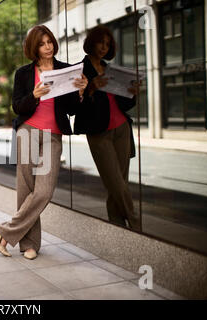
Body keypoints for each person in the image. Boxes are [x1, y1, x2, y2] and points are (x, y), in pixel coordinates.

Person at [0, 25, 88, 260]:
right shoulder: (23, 74)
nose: (47, 47)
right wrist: (33, 96)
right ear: (33, 47)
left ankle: (6, 231)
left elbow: (72, 109)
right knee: (26, 188)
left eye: (50, 42)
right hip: (28, 131)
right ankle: (29, 244)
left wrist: (80, 93)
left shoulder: (66, 70)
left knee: (44, 191)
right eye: (42, 43)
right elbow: (17, 106)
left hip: (53, 135)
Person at [73, 25, 141, 232]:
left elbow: (125, 104)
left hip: (121, 129)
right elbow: (74, 108)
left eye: (107, 43)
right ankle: (136, 222)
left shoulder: (112, 70)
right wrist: (91, 88)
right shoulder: (79, 70)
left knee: (118, 184)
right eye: (100, 42)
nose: (103, 47)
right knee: (115, 182)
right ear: (91, 42)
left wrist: (133, 93)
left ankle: (117, 230)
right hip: (98, 132)